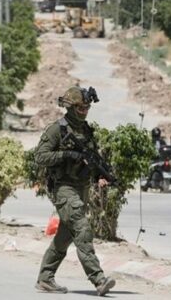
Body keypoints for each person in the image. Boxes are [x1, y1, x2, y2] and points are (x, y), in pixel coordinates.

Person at [33, 86, 116, 296]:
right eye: (80, 108)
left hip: (82, 188)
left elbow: (91, 159)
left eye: (87, 108)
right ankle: (98, 279)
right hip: (63, 187)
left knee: (65, 236)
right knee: (82, 228)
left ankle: (45, 278)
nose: (84, 111)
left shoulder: (86, 130)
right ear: (70, 107)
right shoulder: (57, 130)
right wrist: (66, 155)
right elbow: (40, 156)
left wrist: (99, 175)